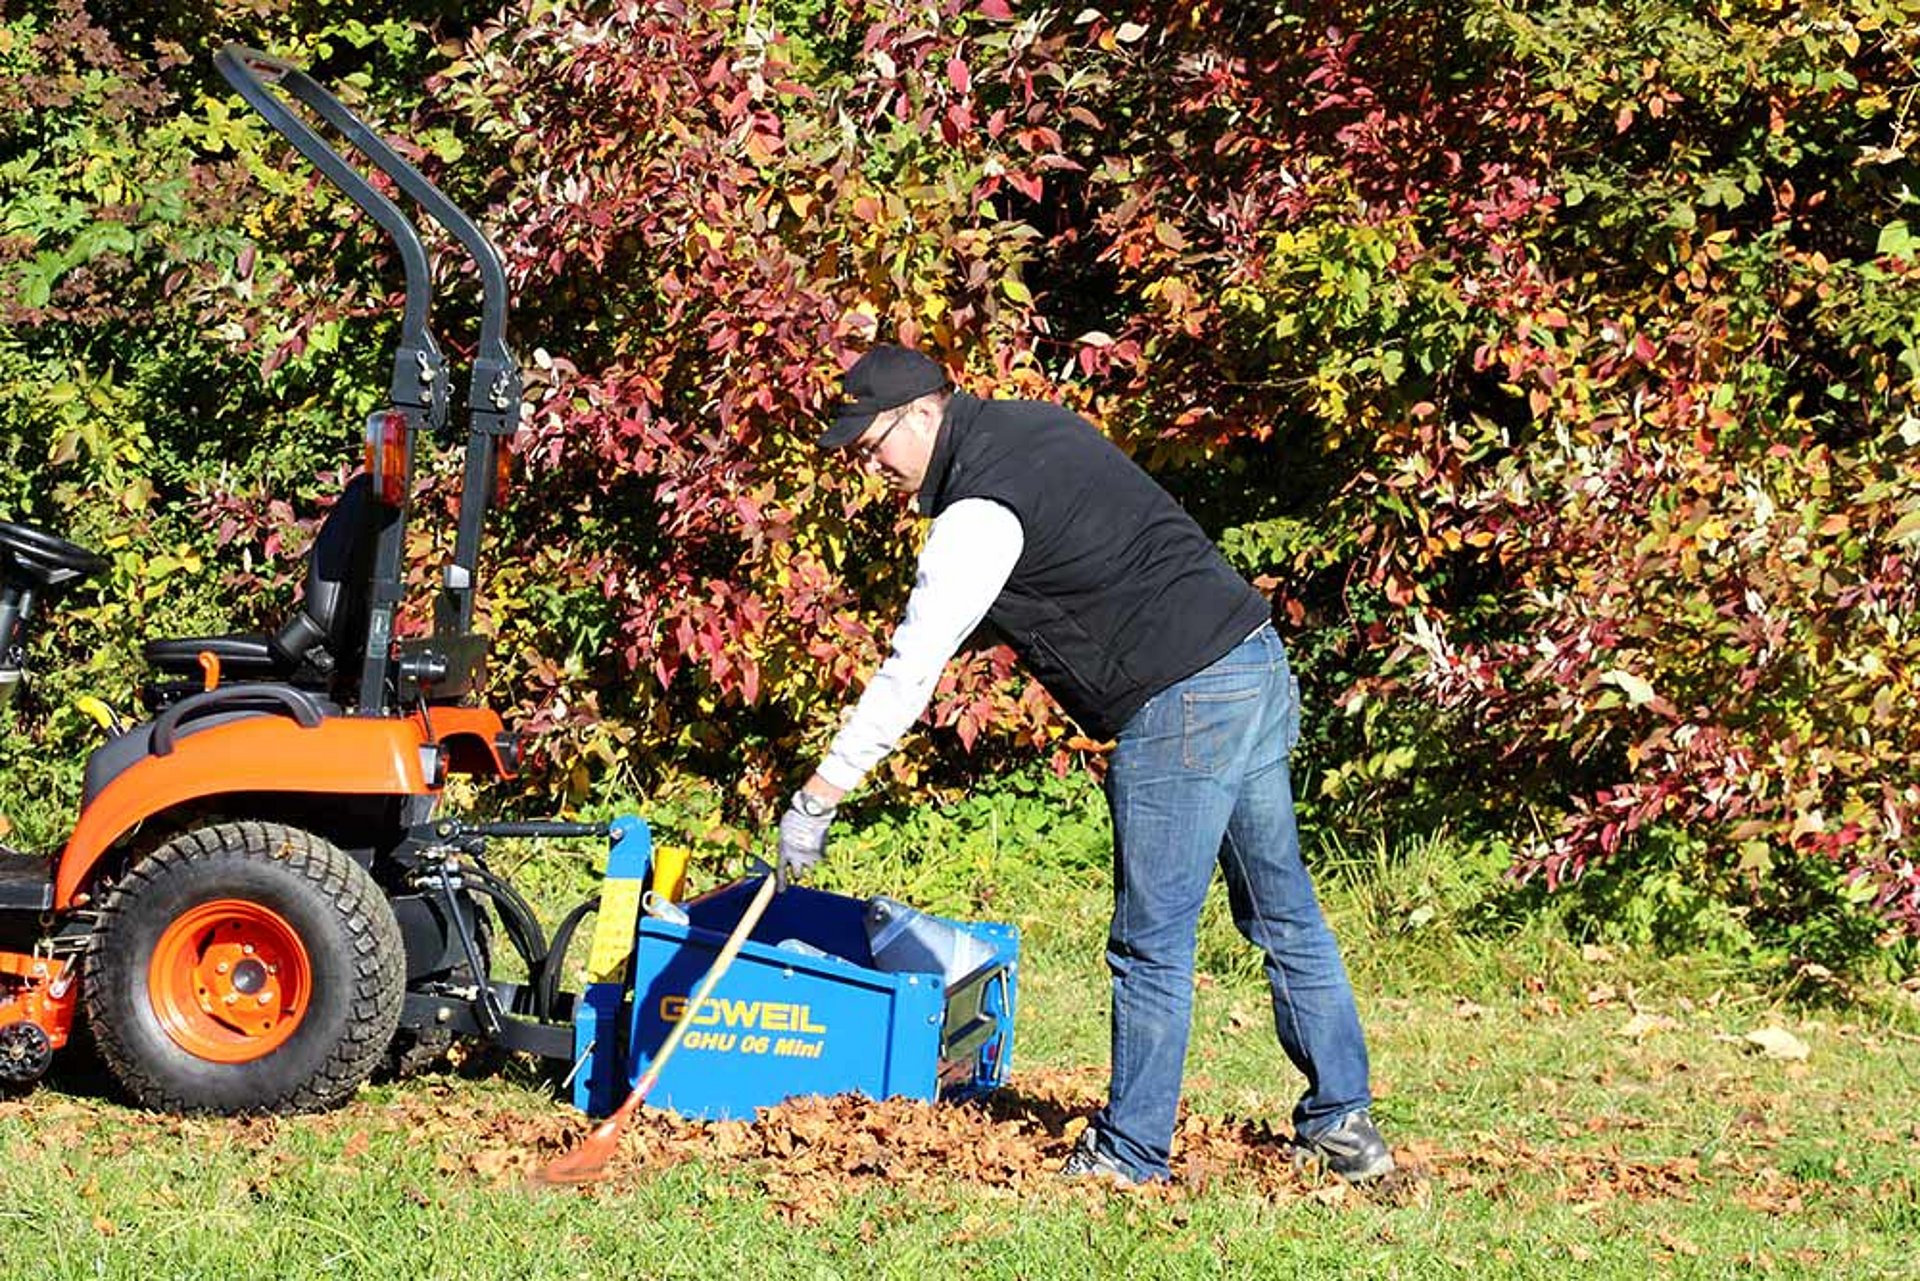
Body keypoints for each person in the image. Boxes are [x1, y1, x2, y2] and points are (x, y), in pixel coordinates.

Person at [776, 344, 1393, 1185]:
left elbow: (911, 669)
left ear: (924, 412)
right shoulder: (1035, 428)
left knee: (1151, 942)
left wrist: (819, 796)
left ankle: (1131, 1152)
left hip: (1183, 701)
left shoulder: (978, 512)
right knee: (1281, 911)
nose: (867, 463)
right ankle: (1343, 1121)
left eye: (872, 440)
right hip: (1251, 659)